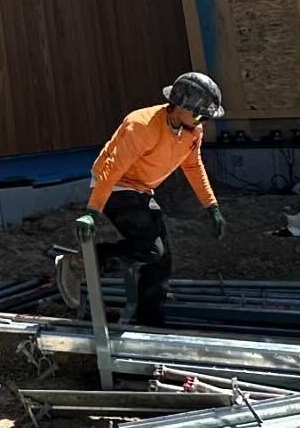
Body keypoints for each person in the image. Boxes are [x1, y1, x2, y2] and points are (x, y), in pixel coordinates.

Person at [56, 72, 228, 327]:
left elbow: (193, 167)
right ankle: (79, 261)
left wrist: (211, 206)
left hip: (143, 190)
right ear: (179, 105)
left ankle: (151, 322)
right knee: (150, 249)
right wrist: (92, 211)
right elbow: (112, 169)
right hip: (117, 185)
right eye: (198, 113)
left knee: (161, 260)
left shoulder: (193, 131)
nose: (202, 120)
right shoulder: (142, 125)